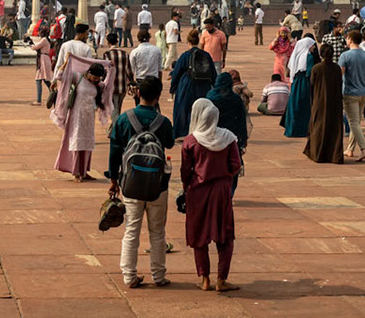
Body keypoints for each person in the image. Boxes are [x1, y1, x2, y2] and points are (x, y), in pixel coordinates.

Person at [107, 74, 175, 289]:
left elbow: (114, 151)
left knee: (131, 230)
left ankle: (129, 275)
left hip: (131, 183)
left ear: (138, 93)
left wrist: (113, 179)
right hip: (157, 185)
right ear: (158, 96)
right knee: (157, 231)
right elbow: (170, 143)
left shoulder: (124, 119)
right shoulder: (163, 122)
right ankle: (158, 275)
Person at [179, 97, 243, 293]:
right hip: (222, 191)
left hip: (198, 191)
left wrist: (186, 188)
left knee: (199, 235)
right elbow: (235, 166)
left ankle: (205, 278)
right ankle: (221, 279)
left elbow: (185, 171)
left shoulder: (191, 141)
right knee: (225, 235)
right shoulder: (228, 138)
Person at [54, 61, 110, 180]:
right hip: (76, 115)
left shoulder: (98, 84)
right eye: (94, 77)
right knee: (77, 142)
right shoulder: (78, 77)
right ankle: (76, 171)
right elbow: (60, 76)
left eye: (98, 78)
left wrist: (112, 70)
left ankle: (83, 171)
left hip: (89, 117)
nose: (95, 80)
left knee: (87, 143)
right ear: (89, 72)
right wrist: (66, 62)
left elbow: (107, 86)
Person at [302, 34, 343, 164]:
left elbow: (312, 85)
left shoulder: (317, 68)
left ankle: (317, 153)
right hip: (335, 101)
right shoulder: (336, 68)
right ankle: (334, 155)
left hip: (319, 100)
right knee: (334, 128)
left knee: (319, 126)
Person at [337, 30, 365, 161]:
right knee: (356, 121)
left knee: (353, 122)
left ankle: (364, 148)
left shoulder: (345, 56)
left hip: (349, 93)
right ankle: (350, 149)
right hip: (363, 93)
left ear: (350, 40)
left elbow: (339, 75)